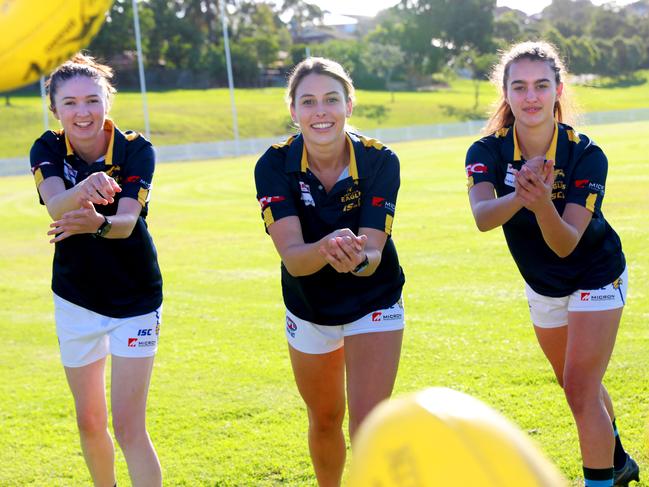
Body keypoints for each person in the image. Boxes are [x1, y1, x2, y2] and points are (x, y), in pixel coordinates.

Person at [465, 41, 639, 487]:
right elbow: (484, 218)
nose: (531, 97)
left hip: (596, 272)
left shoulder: (586, 154)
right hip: (543, 284)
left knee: (581, 389)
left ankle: (600, 481)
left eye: (542, 85)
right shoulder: (486, 151)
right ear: (505, 93)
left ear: (558, 89)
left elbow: (565, 243)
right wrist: (519, 194)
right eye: (519, 86)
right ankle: (618, 460)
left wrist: (540, 203)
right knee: (576, 386)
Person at [254, 57, 405, 486]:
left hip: (374, 298)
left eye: (331, 100)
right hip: (309, 305)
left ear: (349, 105)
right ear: (293, 111)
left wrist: (357, 258)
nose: (320, 111)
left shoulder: (380, 161)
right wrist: (326, 248)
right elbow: (296, 260)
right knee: (324, 418)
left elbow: (373, 251)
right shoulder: (273, 165)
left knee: (368, 425)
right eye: (308, 101)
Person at [30, 53, 163, 487]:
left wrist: (99, 224)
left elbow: (127, 223)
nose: (82, 112)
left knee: (128, 426)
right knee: (89, 420)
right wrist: (84, 189)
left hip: (135, 297)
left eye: (92, 100)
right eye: (69, 103)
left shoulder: (136, 149)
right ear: (55, 109)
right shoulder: (47, 147)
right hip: (75, 296)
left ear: (108, 100)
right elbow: (54, 204)